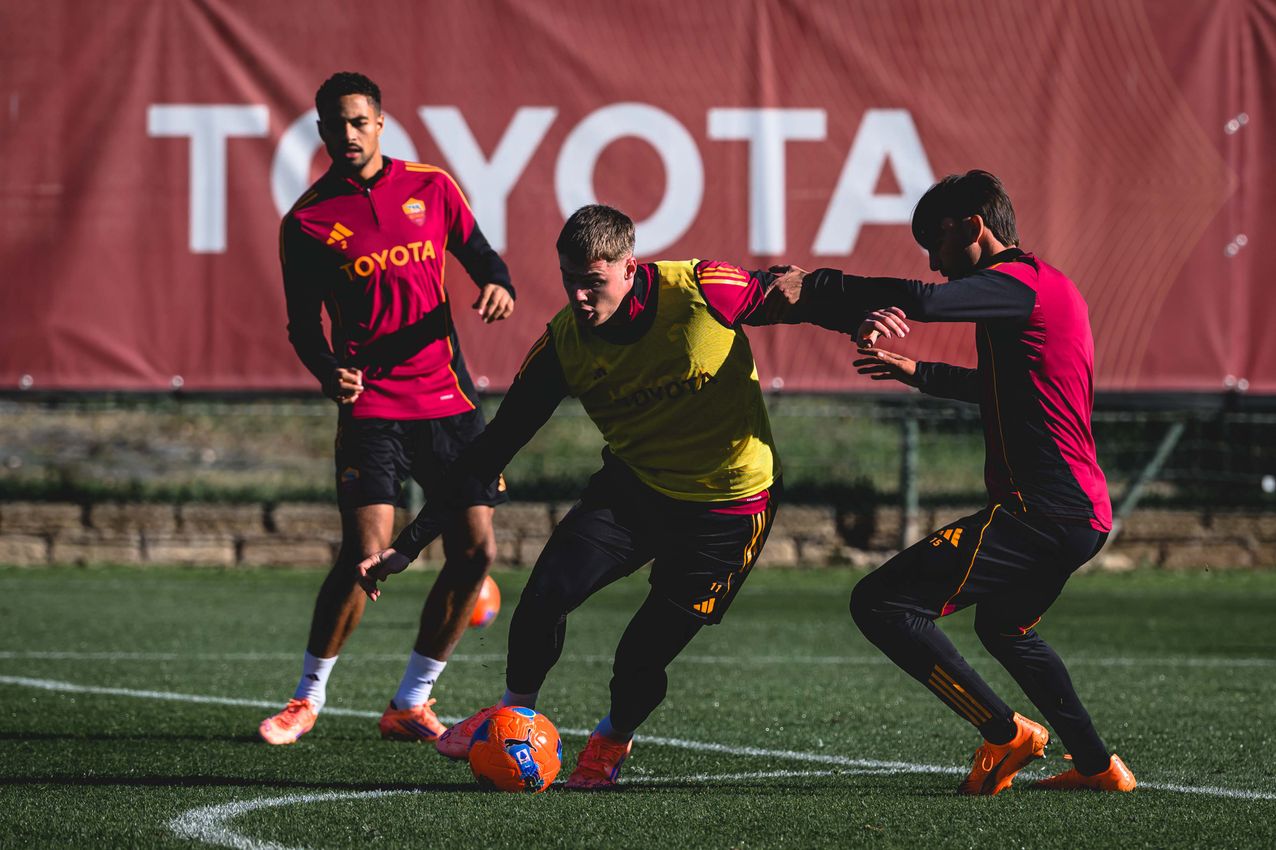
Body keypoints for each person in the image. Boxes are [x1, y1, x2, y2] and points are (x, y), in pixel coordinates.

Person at [356, 204, 866, 788]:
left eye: (593, 281)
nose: (578, 295)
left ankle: (611, 742)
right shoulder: (566, 344)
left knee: (640, 658)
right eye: (570, 280)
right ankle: (512, 716)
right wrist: (408, 545)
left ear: (629, 267)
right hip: (635, 491)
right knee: (544, 595)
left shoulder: (700, 290)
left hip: (730, 508)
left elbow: (801, 290)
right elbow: (490, 450)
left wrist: (873, 312)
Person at [777, 170, 1136, 795]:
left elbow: (921, 299)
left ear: (973, 227)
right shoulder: (1040, 294)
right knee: (1003, 626)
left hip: (1042, 512)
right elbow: (1000, 387)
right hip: (1080, 513)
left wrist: (815, 287)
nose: (937, 266)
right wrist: (917, 372)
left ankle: (1005, 734)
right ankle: (1099, 767)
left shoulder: (1021, 284)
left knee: (881, 603)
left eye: (936, 246)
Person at [259, 71, 516, 746]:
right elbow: (302, 326)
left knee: (476, 551)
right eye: (335, 124)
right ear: (320, 133)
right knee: (365, 554)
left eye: (359, 121)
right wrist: (326, 372)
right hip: (373, 407)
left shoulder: (431, 187)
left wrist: (497, 283)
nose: (348, 133)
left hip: (449, 400)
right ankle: (306, 698)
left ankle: (412, 700)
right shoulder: (309, 221)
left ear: (380, 124)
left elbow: (483, 257)